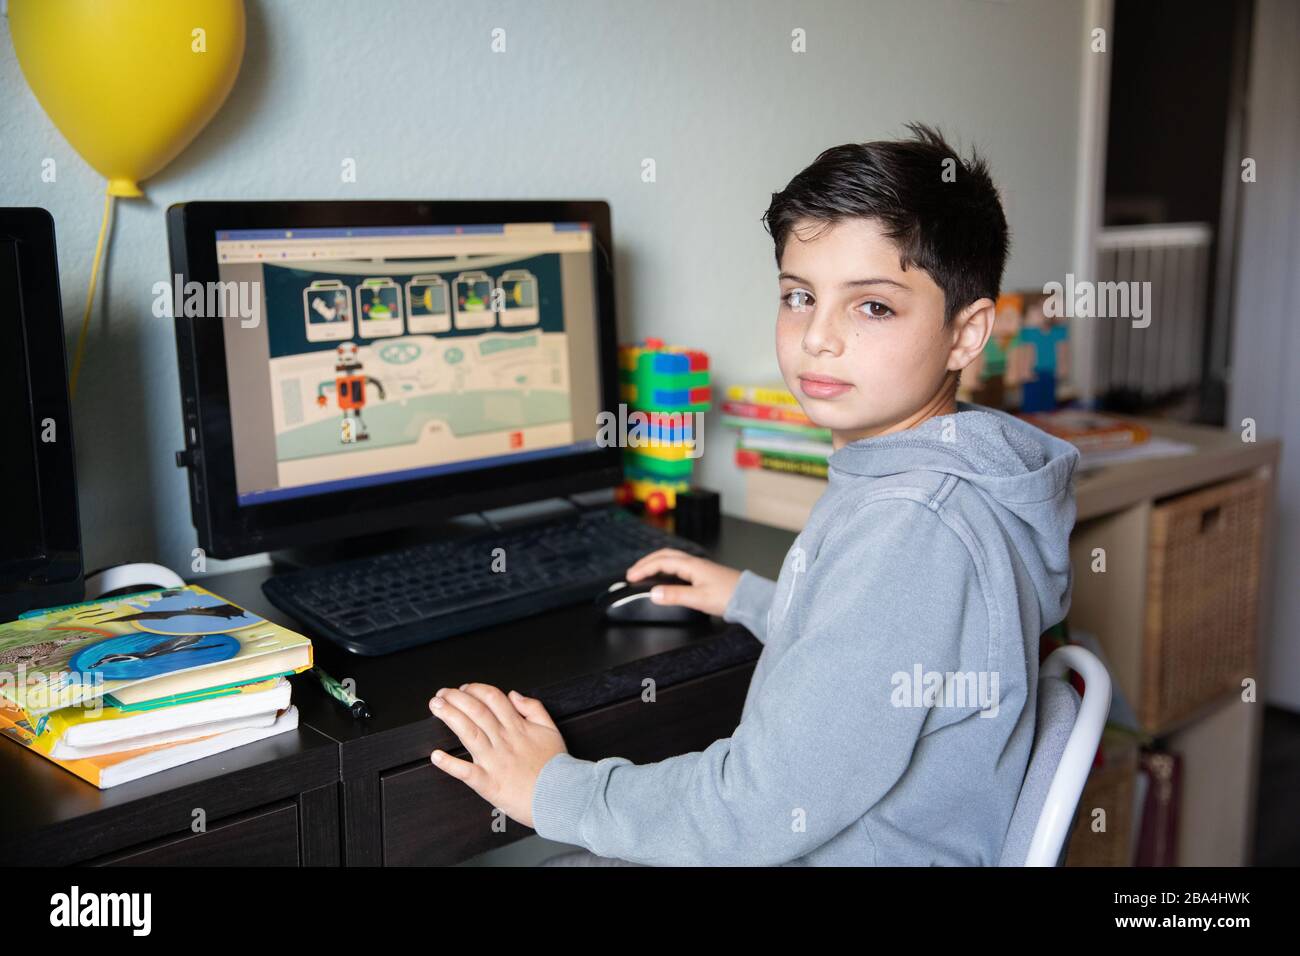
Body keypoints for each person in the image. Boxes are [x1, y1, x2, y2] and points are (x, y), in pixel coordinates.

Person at [426, 124, 1080, 866]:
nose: (817, 338)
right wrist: (753, 596)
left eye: (872, 307)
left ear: (967, 334)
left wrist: (553, 789)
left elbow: (759, 810)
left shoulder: (910, 524)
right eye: (800, 296)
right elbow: (884, 642)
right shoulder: (938, 476)